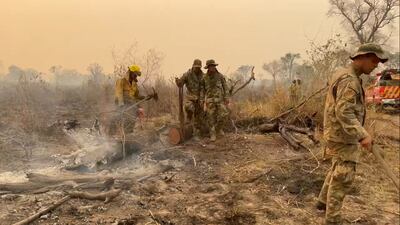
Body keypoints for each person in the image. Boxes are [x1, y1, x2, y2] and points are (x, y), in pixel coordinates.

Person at [316, 43, 388, 225]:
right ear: (362, 57)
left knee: (337, 167)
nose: (375, 66)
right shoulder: (349, 80)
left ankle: (322, 202)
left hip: (337, 133)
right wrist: (362, 135)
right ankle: (332, 219)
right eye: (373, 61)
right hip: (342, 135)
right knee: (344, 174)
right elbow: (344, 112)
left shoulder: (344, 74)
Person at [175, 59, 205, 141]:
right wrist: (178, 82)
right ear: (193, 66)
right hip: (190, 98)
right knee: (189, 107)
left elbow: (203, 88)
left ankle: (197, 133)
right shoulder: (187, 74)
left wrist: (202, 100)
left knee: (199, 116)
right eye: (196, 67)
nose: (197, 69)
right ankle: (188, 124)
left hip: (199, 99)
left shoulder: (203, 76)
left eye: (199, 67)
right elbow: (180, 84)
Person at [113, 65, 146, 134]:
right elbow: (119, 93)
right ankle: (115, 135)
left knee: (133, 118)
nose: (136, 76)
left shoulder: (134, 84)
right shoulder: (121, 81)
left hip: (131, 104)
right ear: (130, 73)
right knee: (122, 119)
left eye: (137, 75)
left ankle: (128, 134)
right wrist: (121, 105)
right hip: (121, 104)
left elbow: (136, 95)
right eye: (135, 74)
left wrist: (143, 97)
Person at [202, 59, 229, 141]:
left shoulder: (220, 76)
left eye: (213, 66)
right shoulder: (204, 78)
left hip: (219, 100)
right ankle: (212, 134)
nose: (212, 68)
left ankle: (218, 129)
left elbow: (225, 87)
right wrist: (202, 100)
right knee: (210, 118)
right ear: (208, 68)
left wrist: (226, 97)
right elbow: (202, 90)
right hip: (210, 101)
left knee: (224, 115)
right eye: (211, 66)